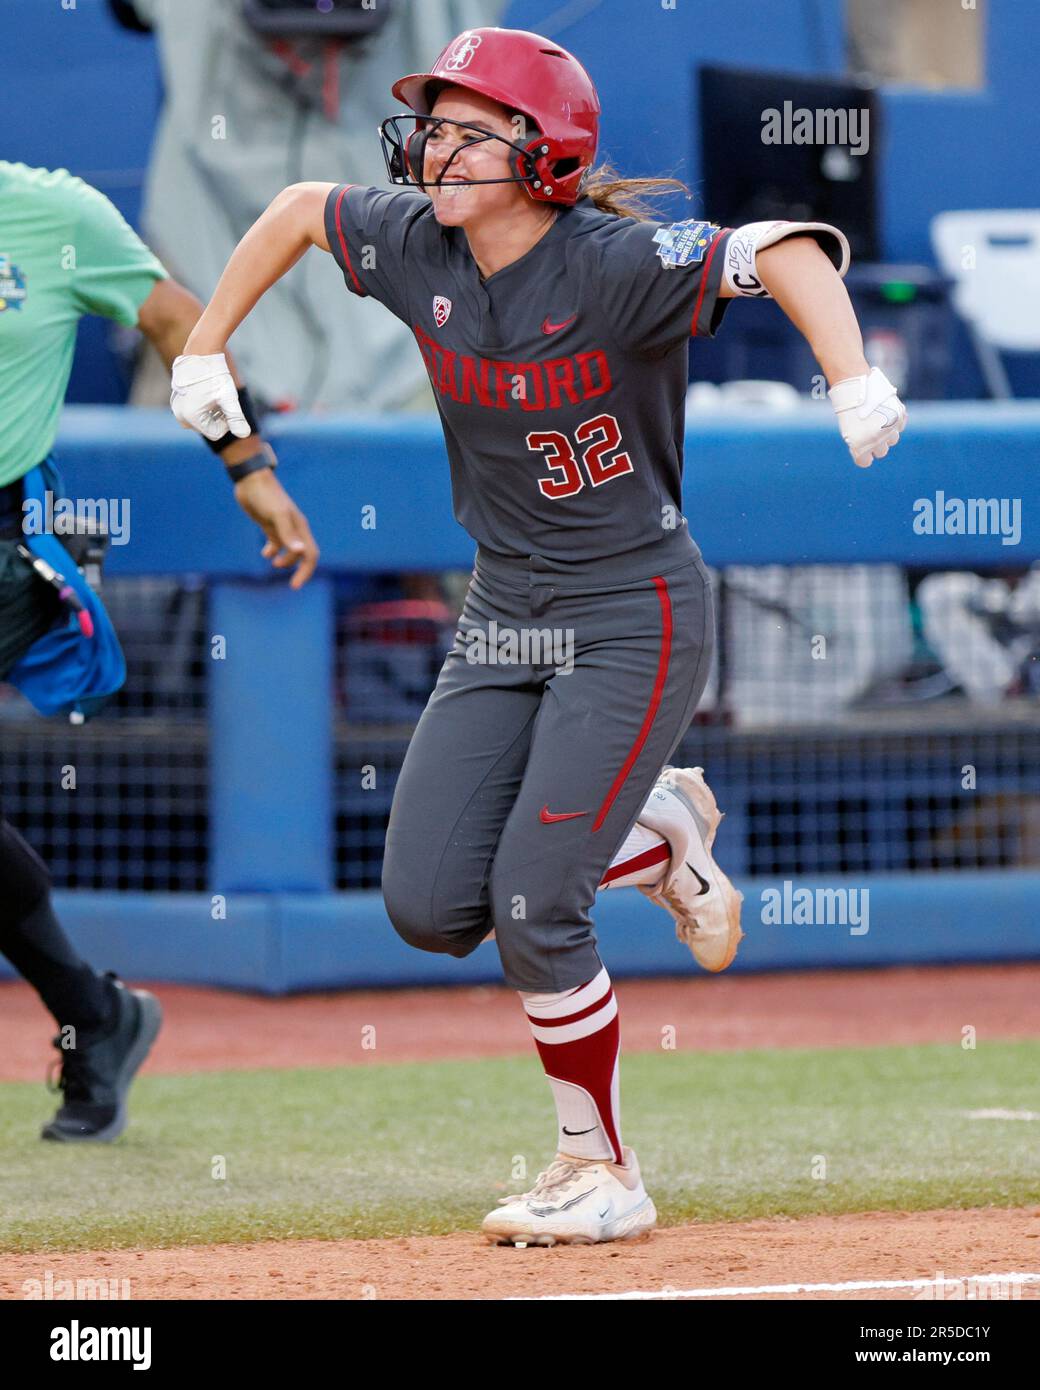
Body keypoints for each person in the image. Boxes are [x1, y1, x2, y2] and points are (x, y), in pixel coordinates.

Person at [169, 27, 907, 1245]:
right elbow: (301, 206)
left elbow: (781, 249)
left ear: (541, 152)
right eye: (433, 123)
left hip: (633, 611)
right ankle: (662, 833)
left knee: (532, 903)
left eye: (468, 128)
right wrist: (207, 347)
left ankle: (600, 1168)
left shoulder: (613, 261)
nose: (435, 146)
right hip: (503, 611)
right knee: (425, 904)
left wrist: (848, 373)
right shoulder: (415, 241)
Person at [0, 159, 317, 1141]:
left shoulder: (54, 211)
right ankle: (97, 1014)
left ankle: (98, 1015)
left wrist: (248, 465)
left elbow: (181, 325)